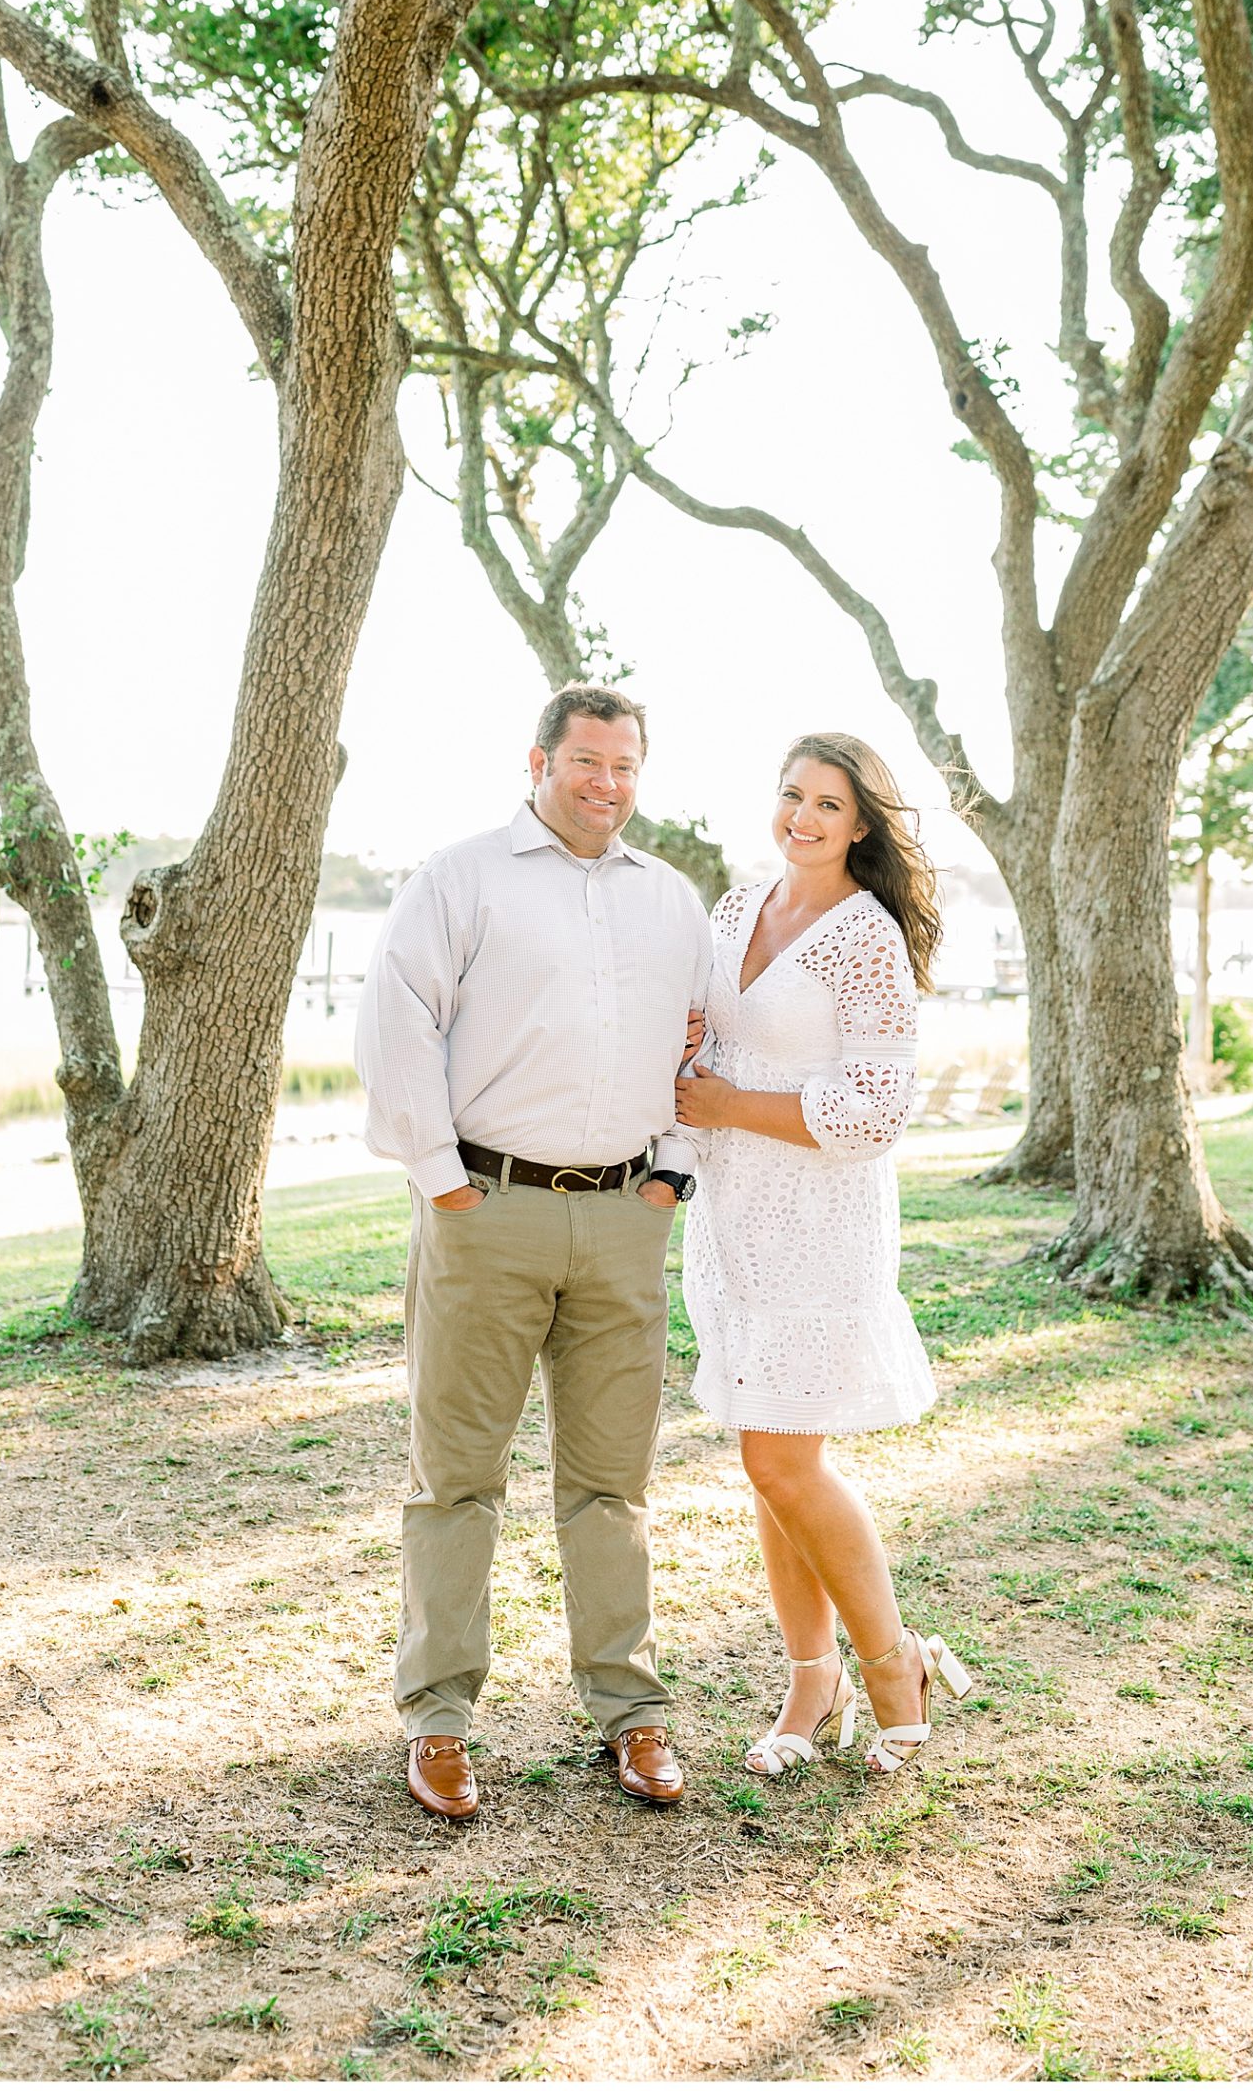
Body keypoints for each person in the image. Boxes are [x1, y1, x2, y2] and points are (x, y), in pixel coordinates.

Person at [355, 684, 711, 1821]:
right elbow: (396, 1018)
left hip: (624, 1218)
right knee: (457, 1477)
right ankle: (441, 1719)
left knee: (613, 1483)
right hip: (486, 1209)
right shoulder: (460, 878)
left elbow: (707, 1041)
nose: (607, 785)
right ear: (540, 760)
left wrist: (672, 1171)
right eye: (587, 763)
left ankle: (630, 1710)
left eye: (626, 767)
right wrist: (441, 1182)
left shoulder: (671, 900)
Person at [675, 732, 970, 1778]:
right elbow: (700, 1039)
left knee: (780, 1459)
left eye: (827, 805)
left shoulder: (866, 939)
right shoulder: (732, 908)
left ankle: (894, 1667)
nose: (801, 817)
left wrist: (728, 1102)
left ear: (861, 826)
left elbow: (875, 1109)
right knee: (772, 1469)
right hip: (730, 1223)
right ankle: (813, 1677)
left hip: (820, 1222)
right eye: (791, 795)